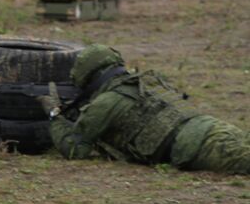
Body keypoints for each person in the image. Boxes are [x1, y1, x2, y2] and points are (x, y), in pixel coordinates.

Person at [40, 45, 250, 174]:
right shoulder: (145, 81)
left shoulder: (105, 103)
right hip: (210, 126)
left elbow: (76, 149)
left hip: (195, 147)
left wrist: (54, 116)